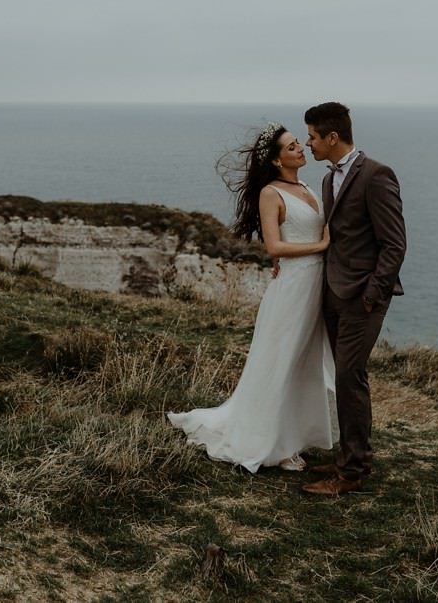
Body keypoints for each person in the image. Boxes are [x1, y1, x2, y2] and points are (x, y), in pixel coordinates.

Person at [167, 122, 335, 473]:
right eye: (291, 147)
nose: (301, 148)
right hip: (293, 288)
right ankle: (273, 441)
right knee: (283, 360)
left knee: (304, 362)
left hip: (313, 285)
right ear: (276, 161)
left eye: (298, 144)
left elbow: (296, 233)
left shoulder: (306, 186)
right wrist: (320, 246)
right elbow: (273, 245)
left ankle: (295, 436)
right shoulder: (271, 193)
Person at [301, 102, 406, 496]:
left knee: (350, 377)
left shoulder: (377, 175)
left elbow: (395, 244)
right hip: (334, 294)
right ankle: (351, 455)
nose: (308, 143)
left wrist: (371, 296)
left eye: (312, 136)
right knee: (345, 378)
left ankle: (352, 473)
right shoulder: (329, 182)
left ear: (332, 137)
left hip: (362, 297)